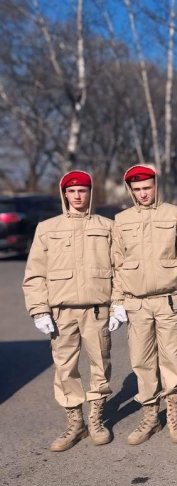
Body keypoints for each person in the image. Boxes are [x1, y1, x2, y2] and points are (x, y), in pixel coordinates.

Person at [22, 170, 117, 452]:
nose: (78, 196)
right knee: (65, 369)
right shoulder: (47, 228)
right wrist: (39, 309)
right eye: (72, 191)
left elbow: (120, 268)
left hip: (97, 309)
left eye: (83, 191)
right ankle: (75, 423)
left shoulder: (106, 226)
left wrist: (119, 304)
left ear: (90, 194)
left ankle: (96, 419)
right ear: (65, 194)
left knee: (100, 364)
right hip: (61, 312)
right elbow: (35, 273)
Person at [112, 164, 177, 445]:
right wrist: (118, 302)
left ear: (155, 186)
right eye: (137, 189)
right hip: (136, 305)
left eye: (147, 188)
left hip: (168, 302)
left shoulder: (175, 214)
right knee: (143, 363)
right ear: (130, 191)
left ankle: (174, 415)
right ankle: (150, 417)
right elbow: (117, 264)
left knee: (171, 360)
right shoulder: (121, 220)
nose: (143, 193)